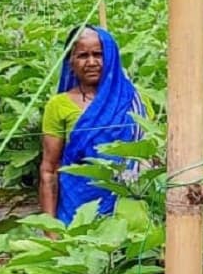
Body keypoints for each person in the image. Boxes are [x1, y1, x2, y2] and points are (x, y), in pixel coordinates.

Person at [39, 26, 146, 224]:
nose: (91, 62)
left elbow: (148, 154)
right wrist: (50, 230)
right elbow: (49, 170)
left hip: (127, 208)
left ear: (111, 58)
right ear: (70, 61)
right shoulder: (58, 105)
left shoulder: (134, 101)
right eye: (82, 56)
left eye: (98, 54)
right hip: (75, 211)